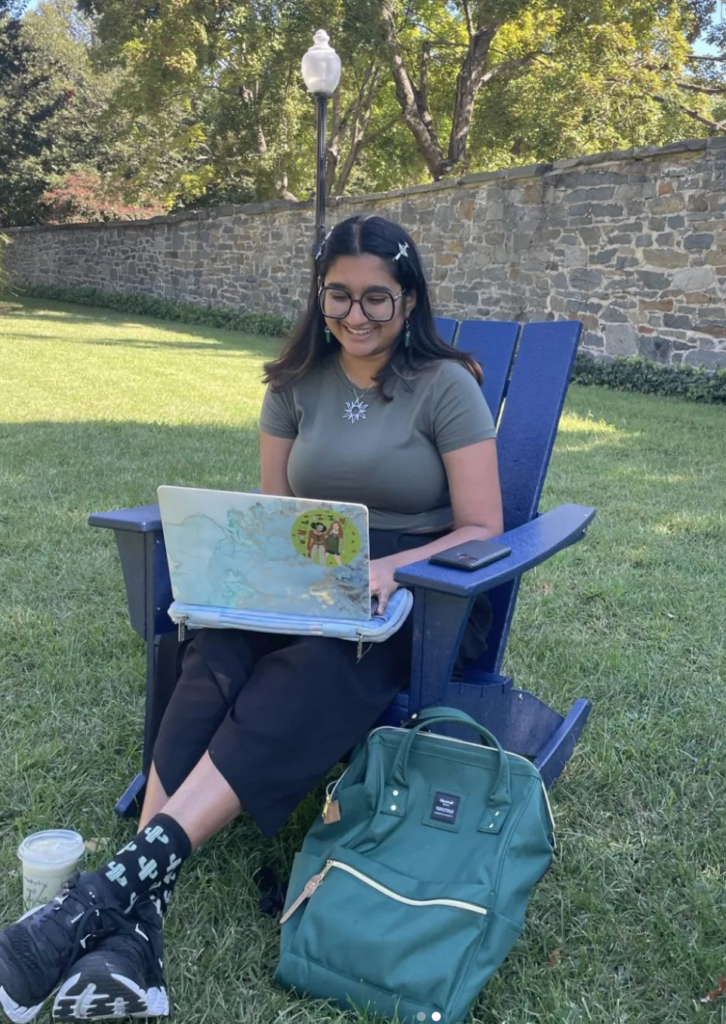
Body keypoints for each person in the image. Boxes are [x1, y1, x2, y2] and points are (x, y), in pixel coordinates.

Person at [0, 214, 503, 1023]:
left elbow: (482, 526)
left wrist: (388, 567)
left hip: (413, 596)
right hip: (307, 577)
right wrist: (256, 576)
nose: (357, 315)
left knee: (308, 669)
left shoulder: (446, 385)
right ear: (319, 295)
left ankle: (107, 892)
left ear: (408, 300)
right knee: (219, 648)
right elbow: (276, 511)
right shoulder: (294, 383)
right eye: (339, 295)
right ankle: (138, 918)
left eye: (378, 297)